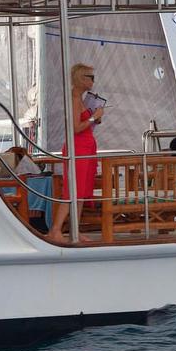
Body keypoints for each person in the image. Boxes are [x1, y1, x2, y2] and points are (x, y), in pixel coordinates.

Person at [51, 63, 104, 243]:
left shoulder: (80, 98)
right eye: (91, 77)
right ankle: (56, 230)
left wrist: (94, 119)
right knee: (72, 191)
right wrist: (93, 117)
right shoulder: (74, 98)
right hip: (78, 148)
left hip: (86, 147)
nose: (93, 81)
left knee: (81, 192)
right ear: (81, 79)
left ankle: (75, 229)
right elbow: (75, 128)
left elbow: (84, 125)